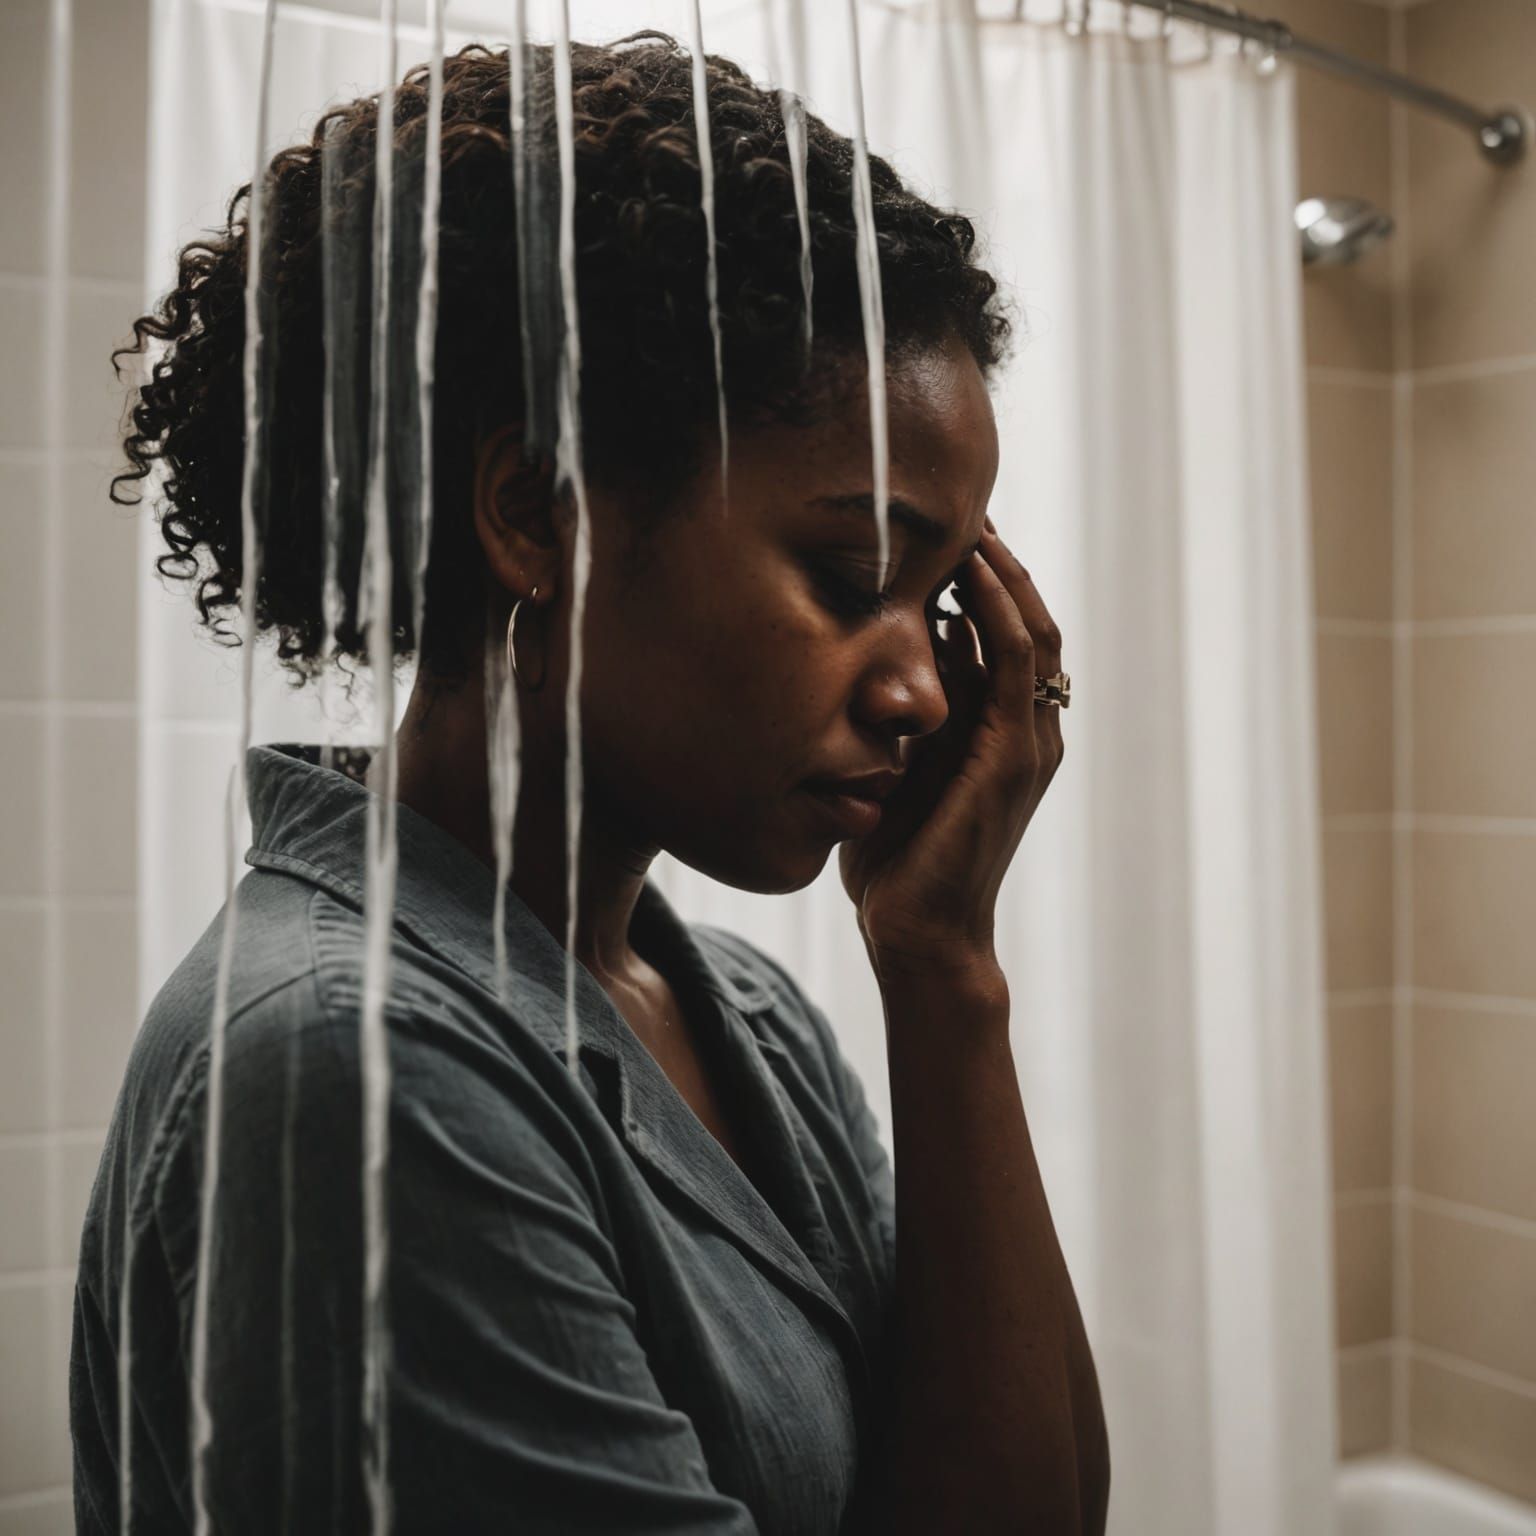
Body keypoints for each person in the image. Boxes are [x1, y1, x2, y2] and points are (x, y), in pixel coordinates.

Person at [71, 31, 1108, 1535]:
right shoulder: (353, 1073)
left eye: (940, 601)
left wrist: (945, 973)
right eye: (850, 574)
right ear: (533, 514)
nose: (925, 691)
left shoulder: (739, 1015)